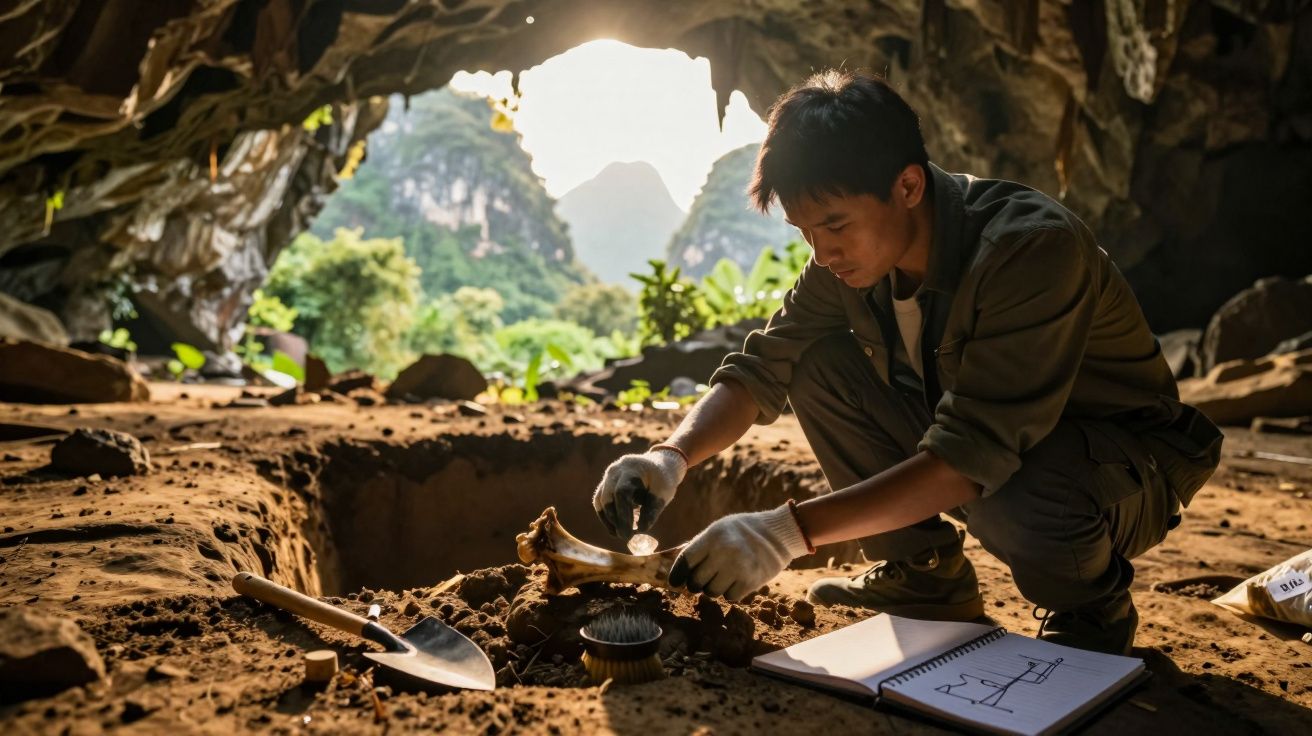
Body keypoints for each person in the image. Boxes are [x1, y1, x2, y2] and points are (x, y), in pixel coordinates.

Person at [592, 69, 1222, 656]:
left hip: (1122, 467)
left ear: (909, 186)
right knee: (817, 363)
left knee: (1016, 486)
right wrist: (669, 458)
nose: (823, 250)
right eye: (806, 231)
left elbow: (972, 454)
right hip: (1001, 449)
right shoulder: (845, 264)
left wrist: (782, 533)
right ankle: (924, 576)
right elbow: (764, 367)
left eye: (835, 224)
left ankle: (1091, 608)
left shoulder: (1030, 249)